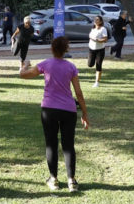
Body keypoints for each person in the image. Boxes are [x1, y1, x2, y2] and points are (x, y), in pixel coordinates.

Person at [19, 36, 90, 192]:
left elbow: (23, 75)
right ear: (66, 50)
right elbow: (78, 92)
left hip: (49, 110)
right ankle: (72, 182)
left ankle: (54, 180)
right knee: (68, 145)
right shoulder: (71, 67)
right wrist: (84, 112)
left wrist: (24, 65)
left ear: (52, 49)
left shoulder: (45, 64)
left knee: (51, 144)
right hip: (69, 110)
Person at [88, 16, 108, 87]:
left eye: (97, 19)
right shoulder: (93, 29)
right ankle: (96, 75)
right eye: (95, 19)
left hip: (100, 50)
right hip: (91, 49)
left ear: (100, 21)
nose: (95, 20)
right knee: (90, 64)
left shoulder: (103, 29)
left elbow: (105, 40)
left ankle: (97, 82)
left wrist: (97, 40)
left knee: (98, 65)